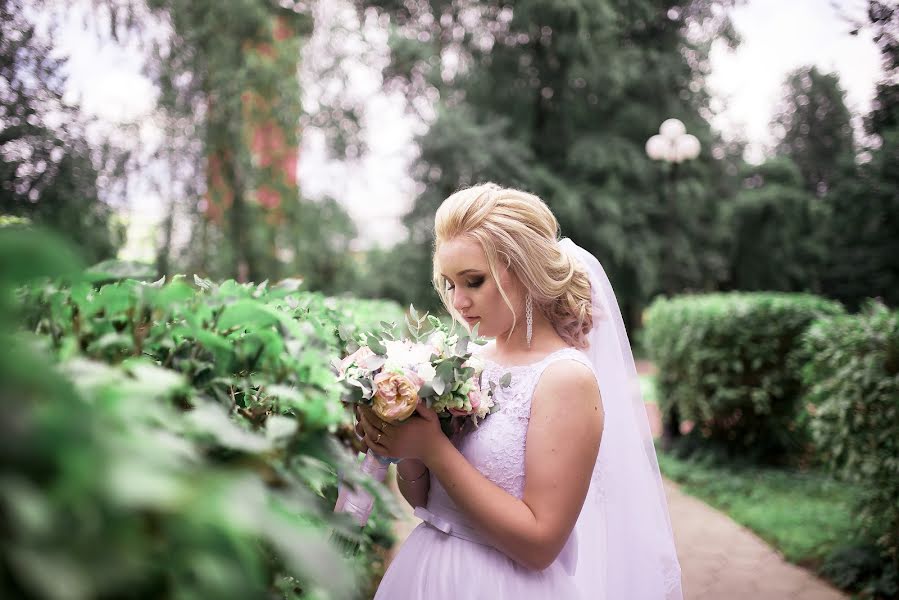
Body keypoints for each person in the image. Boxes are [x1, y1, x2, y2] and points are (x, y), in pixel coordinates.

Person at [357, 183, 682, 599]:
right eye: (449, 283)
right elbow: (423, 499)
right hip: (425, 574)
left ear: (525, 272)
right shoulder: (463, 361)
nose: (458, 301)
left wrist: (434, 448)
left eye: (473, 281)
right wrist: (407, 446)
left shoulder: (565, 379)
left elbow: (540, 544)